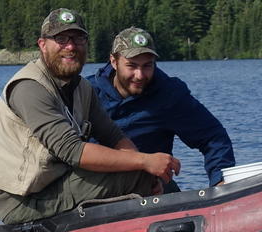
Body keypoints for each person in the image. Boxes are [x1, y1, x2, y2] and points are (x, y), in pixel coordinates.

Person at [0, 9, 180, 225]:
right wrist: (143, 163)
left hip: (56, 183)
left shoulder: (82, 88)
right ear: (42, 45)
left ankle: (177, 225)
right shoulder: (29, 88)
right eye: (61, 39)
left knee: (153, 175)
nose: (71, 46)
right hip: (23, 199)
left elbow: (113, 136)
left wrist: (148, 168)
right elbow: (72, 150)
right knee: (138, 174)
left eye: (78, 38)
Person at [89, 27, 234, 190]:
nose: (140, 75)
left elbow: (212, 137)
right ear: (114, 62)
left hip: (153, 189)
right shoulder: (86, 92)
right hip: (95, 188)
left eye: (147, 66)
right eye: (132, 66)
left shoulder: (169, 94)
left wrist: (220, 180)